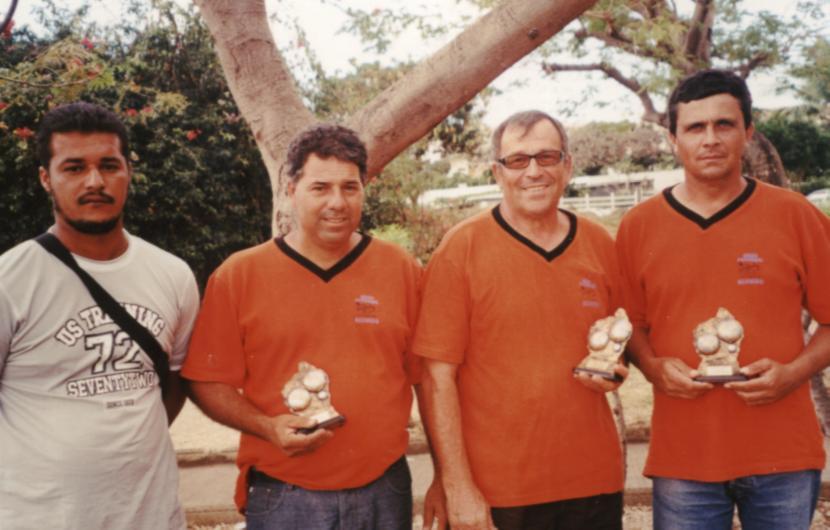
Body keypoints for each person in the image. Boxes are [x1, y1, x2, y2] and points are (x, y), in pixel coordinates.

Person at [182, 124, 441, 530]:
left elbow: (428, 380)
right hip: (286, 493)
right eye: (321, 188)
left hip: (384, 487)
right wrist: (267, 427)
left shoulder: (401, 270)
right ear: (291, 189)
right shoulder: (240, 275)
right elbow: (205, 380)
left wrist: (444, 474)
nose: (337, 202)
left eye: (350, 187)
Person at [617, 69, 830, 529]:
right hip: (683, 460)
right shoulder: (639, 226)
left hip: (784, 455)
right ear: (673, 138)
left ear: (748, 132)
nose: (709, 139)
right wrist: (654, 368)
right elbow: (628, 326)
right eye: (695, 127)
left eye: (724, 125)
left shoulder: (795, 216)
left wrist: (793, 373)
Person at [412, 110, 628, 530]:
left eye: (547, 157)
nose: (533, 172)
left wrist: (616, 372)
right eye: (517, 160)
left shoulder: (599, 243)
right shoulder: (462, 249)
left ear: (567, 166)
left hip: (593, 481)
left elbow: (617, 348)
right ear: (498, 172)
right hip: (499, 492)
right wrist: (457, 485)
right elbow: (436, 378)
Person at [0, 101, 200, 529]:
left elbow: (177, 380)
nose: (95, 182)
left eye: (109, 165)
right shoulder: (10, 281)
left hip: (152, 517)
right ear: (45, 179)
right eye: (74, 168)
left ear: (128, 172)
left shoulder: (172, 274)